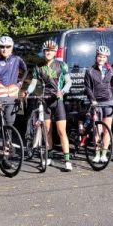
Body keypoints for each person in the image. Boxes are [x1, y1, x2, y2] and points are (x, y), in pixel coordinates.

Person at [24, 39, 73, 170]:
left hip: (58, 101)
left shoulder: (61, 65)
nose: (48, 53)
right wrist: (27, 92)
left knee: (61, 131)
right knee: (48, 131)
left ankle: (67, 160)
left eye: (51, 51)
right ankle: (49, 157)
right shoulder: (38, 66)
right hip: (45, 100)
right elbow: (34, 83)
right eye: (46, 51)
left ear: (55, 52)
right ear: (44, 52)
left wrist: (62, 92)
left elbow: (68, 82)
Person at [0, 35, 27, 170]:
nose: (5, 49)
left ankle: (5, 157)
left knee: (8, 130)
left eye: (8, 47)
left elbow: (26, 70)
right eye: (2, 47)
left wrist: (19, 83)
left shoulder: (17, 59)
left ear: (12, 48)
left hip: (12, 99)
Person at [84, 45, 113, 164]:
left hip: (108, 102)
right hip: (96, 102)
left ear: (107, 58)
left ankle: (104, 154)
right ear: (96, 57)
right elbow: (87, 87)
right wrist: (92, 99)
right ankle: (97, 153)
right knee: (97, 130)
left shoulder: (110, 70)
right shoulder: (90, 70)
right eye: (99, 56)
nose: (101, 59)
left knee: (107, 130)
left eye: (104, 57)